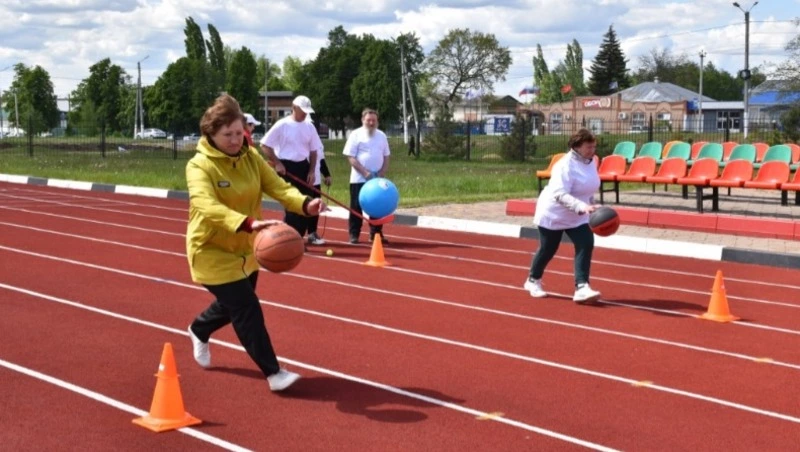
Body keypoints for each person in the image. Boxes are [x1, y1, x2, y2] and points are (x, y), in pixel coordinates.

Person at [185, 94, 326, 392]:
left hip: (247, 248)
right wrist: (247, 223)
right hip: (210, 250)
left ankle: (199, 328)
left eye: (239, 133)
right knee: (246, 307)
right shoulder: (199, 166)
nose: (235, 140)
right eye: (228, 134)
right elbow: (206, 205)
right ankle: (274, 373)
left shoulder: (251, 157)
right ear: (211, 134)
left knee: (234, 304)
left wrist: (305, 204)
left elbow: (279, 188)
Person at [524, 128, 602, 304]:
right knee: (548, 248)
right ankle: (533, 280)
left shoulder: (592, 161)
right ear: (577, 147)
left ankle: (582, 287)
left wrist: (592, 204)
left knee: (586, 243)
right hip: (554, 212)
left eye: (594, 147)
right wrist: (582, 206)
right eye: (588, 147)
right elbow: (559, 193)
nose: (592, 150)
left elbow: (589, 186)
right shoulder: (564, 165)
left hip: (578, 215)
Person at [260, 95, 322, 238]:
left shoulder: (309, 126)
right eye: (302, 110)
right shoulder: (282, 125)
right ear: (294, 108)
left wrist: (312, 171)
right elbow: (264, 145)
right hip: (286, 167)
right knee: (292, 205)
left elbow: (314, 151)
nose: (305, 114)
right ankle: (290, 237)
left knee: (306, 204)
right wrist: (277, 163)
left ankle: (299, 237)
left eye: (307, 111)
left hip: (303, 166)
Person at [342, 108, 391, 244]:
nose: (371, 123)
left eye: (374, 120)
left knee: (377, 206)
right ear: (363, 120)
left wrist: (382, 173)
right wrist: (365, 173)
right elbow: (350, 156)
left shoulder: (381, 135)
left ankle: (376, 233)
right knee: (356, 207)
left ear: (377, 121)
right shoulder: (355, 134)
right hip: (359, 179)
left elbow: (386, 156)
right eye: (368, 120)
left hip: (377, 180)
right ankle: (354, 234)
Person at [306, 144, 332, 245]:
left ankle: (312, 233)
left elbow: (321, 160)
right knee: (301, 209)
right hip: (304, 182)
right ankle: (294, 235)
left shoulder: (318, 142)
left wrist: (327, 174)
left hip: (316, 182)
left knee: (315, 208)